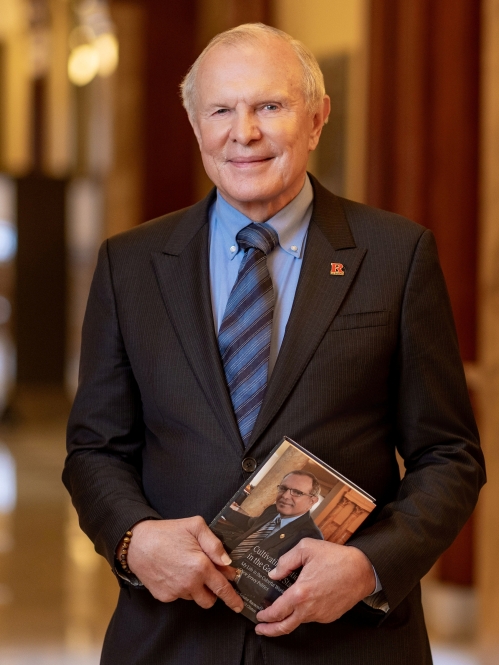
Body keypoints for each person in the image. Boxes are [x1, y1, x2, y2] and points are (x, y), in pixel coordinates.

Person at [63, 22, 485, 665]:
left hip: (345, 643)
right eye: (222, 110)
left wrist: (369, 566)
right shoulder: (132, 264)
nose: (245, 132)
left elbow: (449, 454)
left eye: (269, 106)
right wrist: (133, 539)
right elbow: (95, 448)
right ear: (196, 126)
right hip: (173, 640)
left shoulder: (397, 256)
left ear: (317, 120)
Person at [216, 471, 324, 564]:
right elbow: (250, 524)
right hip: (224, 554)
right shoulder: (273, 509)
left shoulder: (311, 538)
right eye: (283, 488)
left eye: (297, 492)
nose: (285, 496)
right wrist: (223, 509)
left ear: (312, 501)